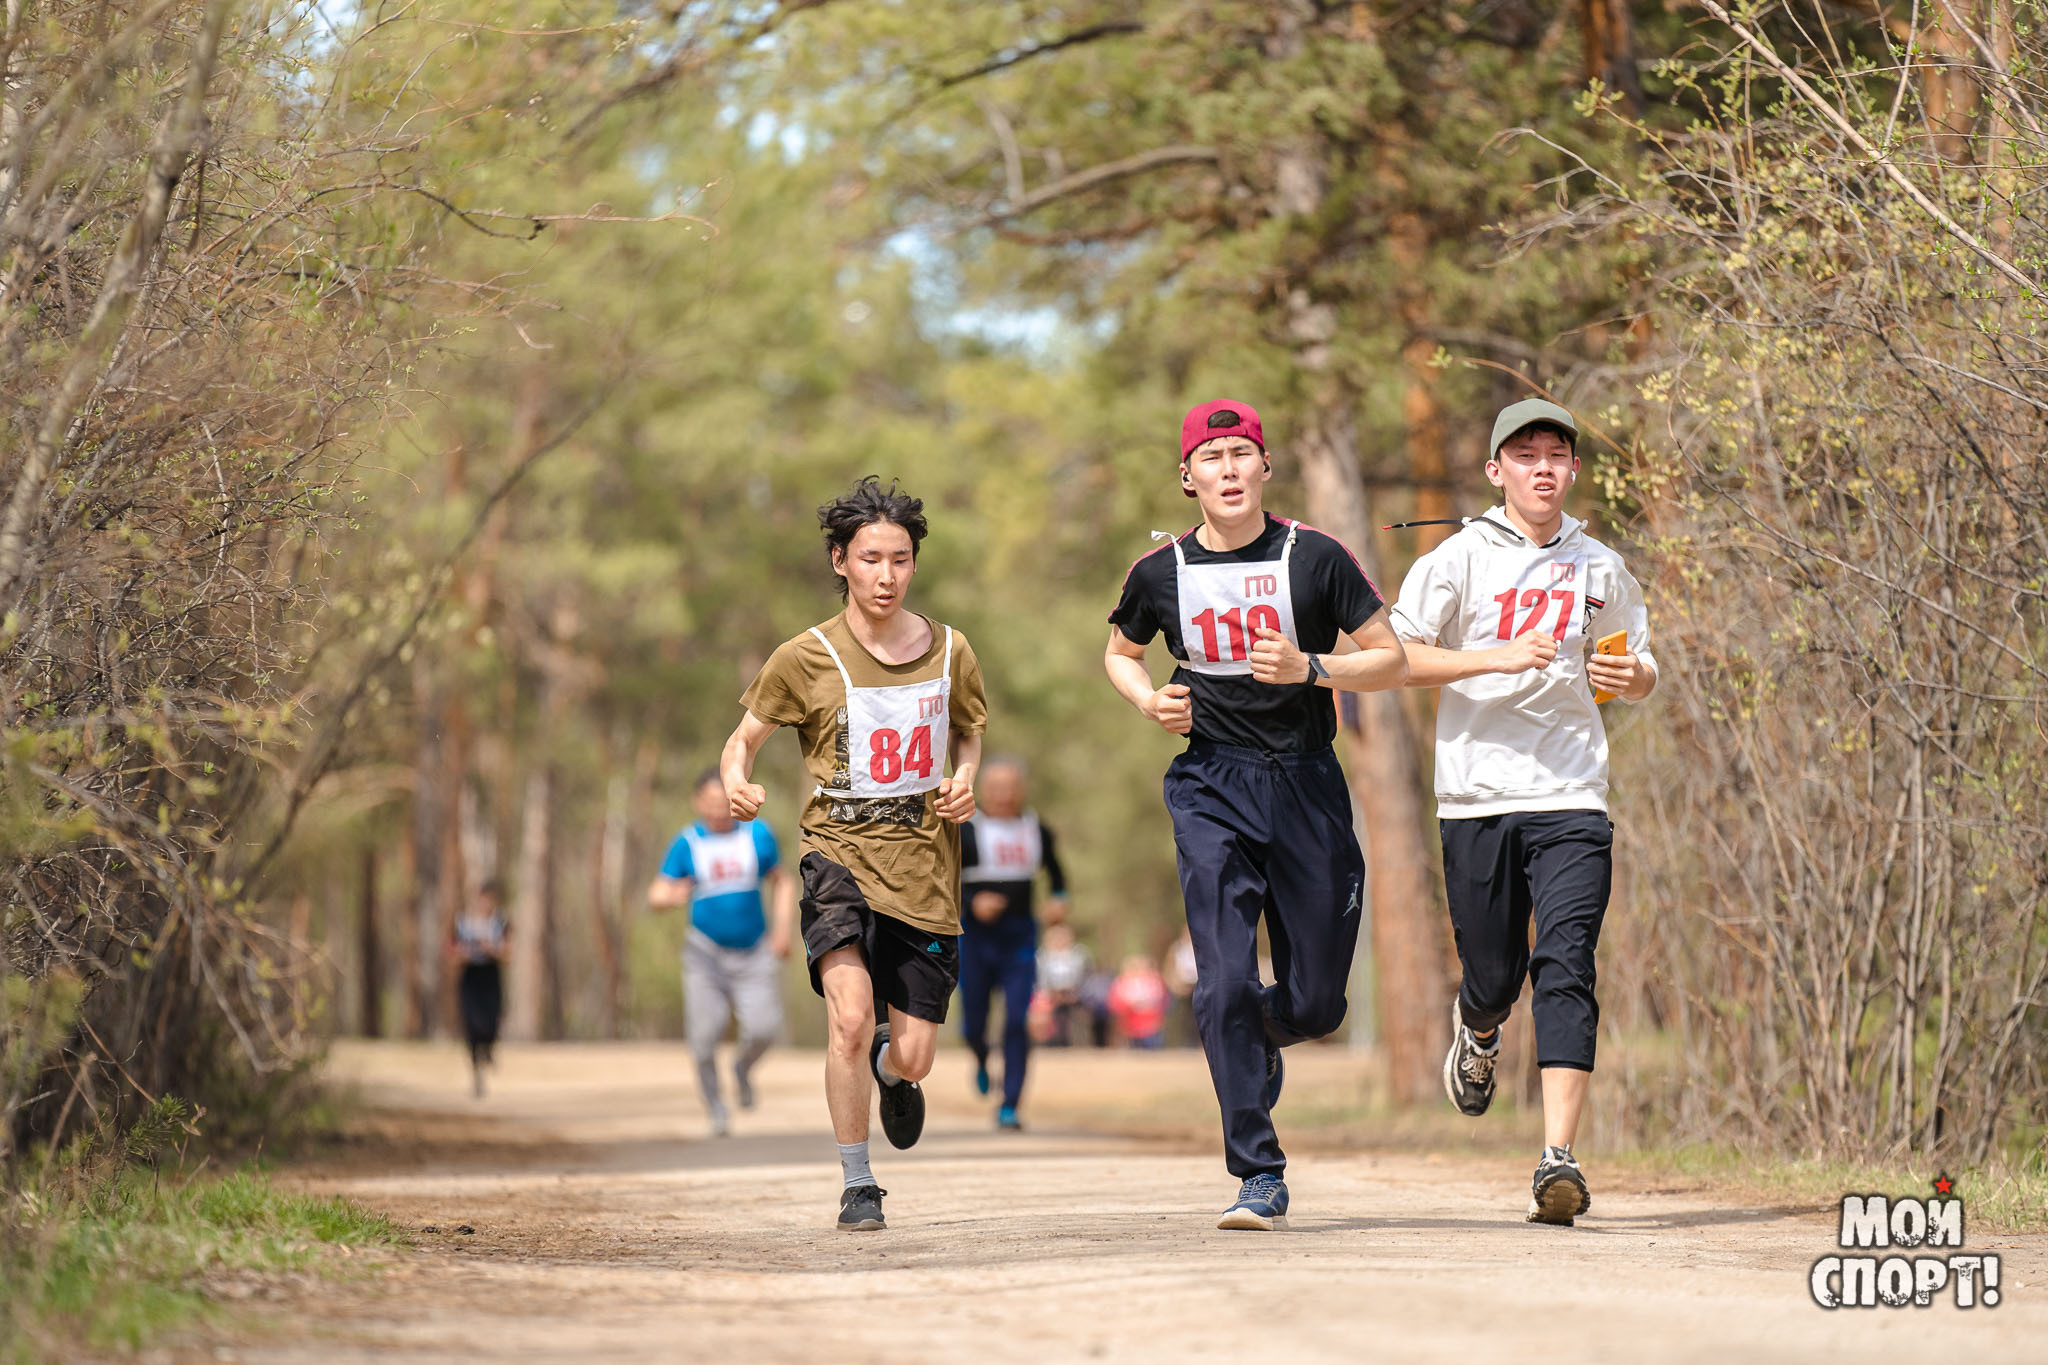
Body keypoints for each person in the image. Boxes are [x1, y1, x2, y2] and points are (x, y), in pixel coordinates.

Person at [1105, 399, 1408, 1230]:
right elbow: (1119, 650)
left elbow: (1390, 657)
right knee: (1224, 981)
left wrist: (1313, 667)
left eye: (1243, 453)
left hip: (1307, 783)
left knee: (1316, 1005)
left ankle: (1257, 1035)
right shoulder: (1158, 569)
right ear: (1188, 475)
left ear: (1266, 468)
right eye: (1213, 456)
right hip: (1211, 786)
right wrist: (1147, 700)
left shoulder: (1314, 556)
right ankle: (1258, 1171)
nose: (1229, 469)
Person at [1388, 398, 1658, 1226]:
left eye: (1556, 454)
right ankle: (1477, 1026)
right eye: (1525, 453)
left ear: (1573, 471)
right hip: (1475, 794)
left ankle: (1557, 1158)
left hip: (1573, 791)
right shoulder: (1455, 560)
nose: (1543, 466)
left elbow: (1640, 661)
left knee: (1568, 960)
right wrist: (1493, 655)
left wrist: (1632, 678)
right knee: (1496, 973)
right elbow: (1393, 657)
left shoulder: (1600, 566)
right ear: (1495, 470)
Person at [719, 476, 986, 1233]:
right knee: (849, 1015)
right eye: (870, 558)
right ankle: (858, 1180)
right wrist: (738, 781)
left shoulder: (951, 650)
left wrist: (964, 777)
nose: (886, 575)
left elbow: (969, 728)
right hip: (835, 858)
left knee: (916, 1054)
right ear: (841, 560)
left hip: (925, 872)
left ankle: (887, 1072)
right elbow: (741, 741)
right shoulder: (803, 657)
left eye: (900, 559)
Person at [647, 768, 798, 1138]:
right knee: (703, 1037)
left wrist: (782, 930)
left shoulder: (757, 835)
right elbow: (656, 893)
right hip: (704, 955)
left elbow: (783, 882)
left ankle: (743, 1068)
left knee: (765, 1028)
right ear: (697, 802)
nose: (717, 810)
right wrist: (672, 895)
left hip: (753, 951)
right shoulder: (687, 843)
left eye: (723, 802)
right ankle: (716, 1107)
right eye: (710, 803)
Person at [958, 757, 1069, 1130]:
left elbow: (1056, 875)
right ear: (982, 791)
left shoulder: (1036, 829)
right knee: (974, 1021)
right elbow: (940, 881)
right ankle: (979, 1055)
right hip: (974, 936)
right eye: (996, 788)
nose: (1003, 795)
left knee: (1019, 1019)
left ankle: (1010, 1103)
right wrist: (972, 902)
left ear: (1021, 791)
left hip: (1019, 936)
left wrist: (1059, 899)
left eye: (1010, 787)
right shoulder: (965, 830)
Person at [446, 879, 508, 1100]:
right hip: (470, 978)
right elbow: (451, 953)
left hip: (491, 977)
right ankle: (476, 1073)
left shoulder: (500, 922)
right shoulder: (462, 923)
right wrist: (465, 953)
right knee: (472, 1026)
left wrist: (490, 949)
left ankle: (489, 1050)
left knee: (491, 1022)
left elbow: (508, 952)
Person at [1034, 922, 1092, 1046]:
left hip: (1074, 994)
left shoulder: (1080, 955)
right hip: (1049, 995)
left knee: (1078, 1018)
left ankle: (1079, 1045)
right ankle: (1050, 1044)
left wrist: (1075, 992)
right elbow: (1039, 977)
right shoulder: (1041, 956)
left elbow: (1087, 975)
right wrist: (1050, 993)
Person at [1107, 955, 1169, 1048]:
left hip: (1151, 1026)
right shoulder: (1122, 982)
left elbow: (1163, 1001)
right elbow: (1115, 1003)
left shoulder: (1154, 981)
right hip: (1129, 1026)